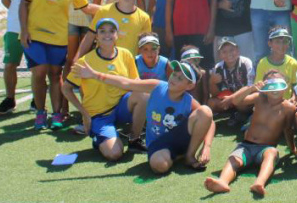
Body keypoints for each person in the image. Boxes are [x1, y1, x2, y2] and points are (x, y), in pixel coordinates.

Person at [72, 57, 216, 172]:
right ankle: (178, 156)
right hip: (159, 144)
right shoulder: (157, 86)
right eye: (174, 74)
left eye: (180, 78)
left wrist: (207, 147)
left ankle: (189, 156)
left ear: (190, 86)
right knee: (159, 166)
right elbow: (126, 83)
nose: (173, 78)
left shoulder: (188, 101)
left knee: (205, 111)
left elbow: (210, 122)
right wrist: (94, 75)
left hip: (181, 139)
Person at [19, 0, 97, 130]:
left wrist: (111, 8)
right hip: (35, 36)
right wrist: (24, 30)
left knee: (55, 75)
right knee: (39, 72)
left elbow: (86, 8)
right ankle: (40, 112)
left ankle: (56, 114)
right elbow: (23, 4)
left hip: (59, 38)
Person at [62, 18, 147, 159]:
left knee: (143, 94)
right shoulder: (85, 61)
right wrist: (84, 114)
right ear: (96, 36)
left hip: (121, 106)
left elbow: (136, 82)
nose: (107, 34)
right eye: (102, 31)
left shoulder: (125, 54)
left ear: (117, 35)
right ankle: (99, 139)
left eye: (111, 31)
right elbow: (66, 88)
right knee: (115, 154)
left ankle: (134, 139)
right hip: (99, 114)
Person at [204, 73, 297, 196]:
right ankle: (223, 181)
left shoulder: (288, 107)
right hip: (246, 145)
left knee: (272, 154)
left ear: (285, 87)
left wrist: (293, 148)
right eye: (270, 83)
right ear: (264, 87)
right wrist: (251, 88)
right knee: (233, 159)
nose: (274, 89)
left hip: (266, 148)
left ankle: (259, 183)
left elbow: (288, 129)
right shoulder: (259, 98)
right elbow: (236, 102)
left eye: (278, 83)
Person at [62, 0, 100, 116]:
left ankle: (87, 106)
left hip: (89, 23)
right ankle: (63, 107)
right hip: (71, 20)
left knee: (86, 62)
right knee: (70, 61)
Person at [78, 0, 152, 58]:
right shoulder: (104, 11)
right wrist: (76, 60)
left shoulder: (144, 18)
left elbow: (145, 47)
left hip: (128, 66)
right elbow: (89, 37)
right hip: (103, 63)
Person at [207, 37, 255, 115]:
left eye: (231, 50)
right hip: (228, 96)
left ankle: (242, 115)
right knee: (211, 103)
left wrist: (231, 98)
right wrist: (212, 82)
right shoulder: (217, 67)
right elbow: (215, 94)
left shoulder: (246, 63)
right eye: (224, 52)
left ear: (238, 50)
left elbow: (250, 87)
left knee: (240, 103)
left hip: (244, 96)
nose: (228, 54)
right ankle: (232, 113)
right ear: (220, 55)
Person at [254, 26, 297, 99]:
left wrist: (293, 99)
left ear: (289, 44)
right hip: (268, 103)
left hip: (287, 103)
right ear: (270, 43)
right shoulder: (262, 63)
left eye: (285, 41)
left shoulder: (293, 63)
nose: (281, 45)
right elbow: (259, 88)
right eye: (277, 42)